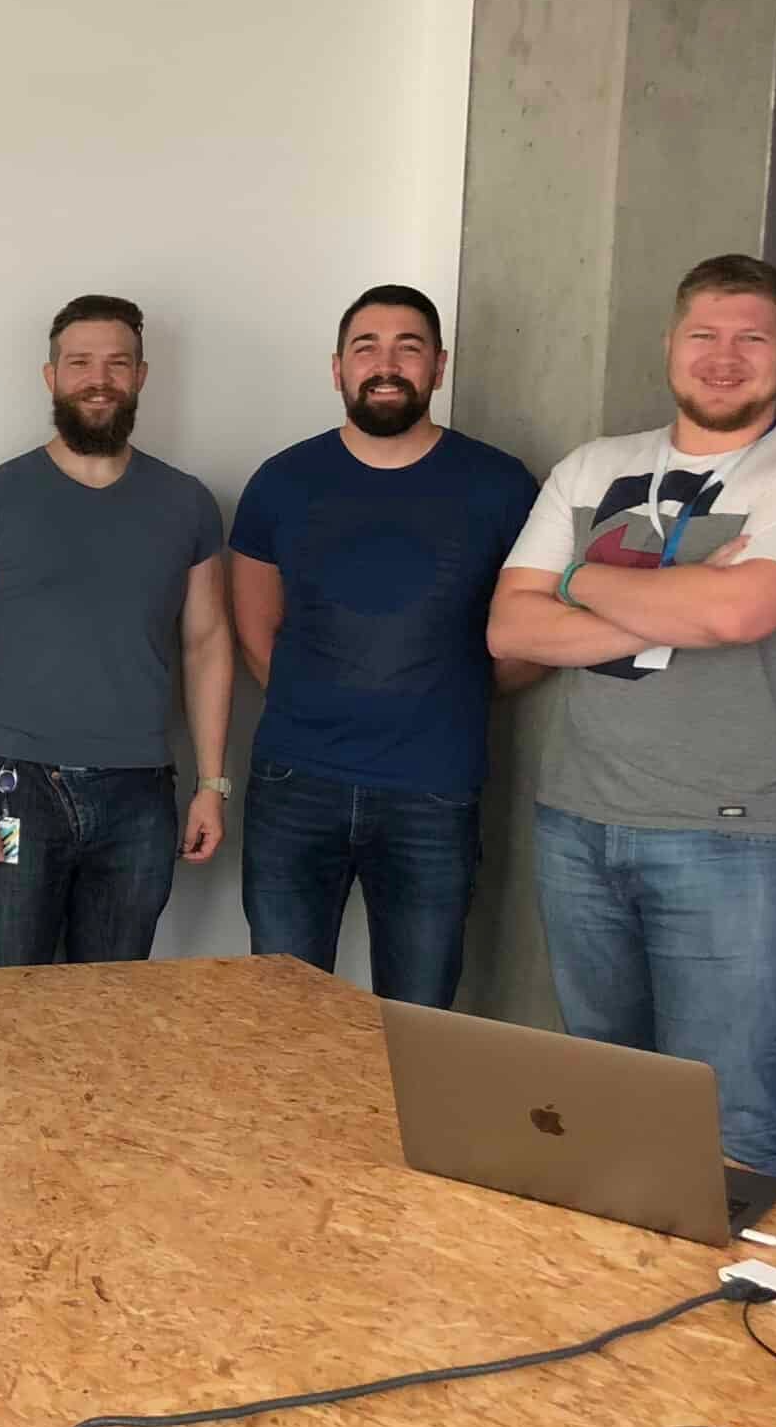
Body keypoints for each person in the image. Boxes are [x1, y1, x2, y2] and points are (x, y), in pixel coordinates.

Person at [488, 253, 776, 1182]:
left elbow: (735, 616)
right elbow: (511, 629)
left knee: (730, 1126)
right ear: (671, 345)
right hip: (577, 821)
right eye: (704, 333)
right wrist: (672, 588)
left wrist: (580, 577)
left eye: (750, 337)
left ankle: (732, 1321)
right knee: (606, 1103)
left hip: (733, 838)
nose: (724, 356)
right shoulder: (595, 466)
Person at [228, 284, 542, 1006]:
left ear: (439, 365)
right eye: (367, 347)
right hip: (294, 789)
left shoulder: (500, 485)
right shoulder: (281, 482)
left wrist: (445, 693)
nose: (387, 363)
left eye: (409, 347)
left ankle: (405, 1128)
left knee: (420, 1017)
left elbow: (535, 635)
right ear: (337, 367)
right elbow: (254, 633)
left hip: (433, 792)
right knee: (282, 1016)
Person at [0, 294, 234, 967]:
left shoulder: (187, 504)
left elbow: (207, 645)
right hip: (15, 788)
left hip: (142, 795)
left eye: (118, 363)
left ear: (141, 376)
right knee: (11, 1000)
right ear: (51, 376)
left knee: (113, 1009)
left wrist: (213, 783)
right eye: (81, 362)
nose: (99, 379)